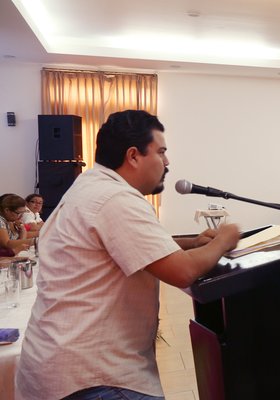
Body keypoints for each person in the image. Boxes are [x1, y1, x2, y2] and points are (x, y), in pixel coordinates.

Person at [16, 110, 241, 400]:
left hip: (60, 368)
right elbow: (183, 272)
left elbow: (124, 246)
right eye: (161, 152)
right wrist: (224, 239)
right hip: (94, 378)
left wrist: (192, 242)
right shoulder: (116, 199)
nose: (168, 162)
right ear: (133, 156)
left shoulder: (91, 186)